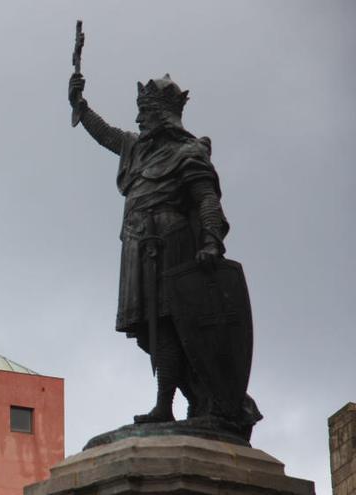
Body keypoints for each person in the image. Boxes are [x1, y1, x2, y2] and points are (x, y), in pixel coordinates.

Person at [68, 72, 259, 427]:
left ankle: (176, 404)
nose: (139, 119)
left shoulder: (188, 152)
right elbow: (106, 134)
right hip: (137, 248)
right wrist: (80, 105)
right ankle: (189, 400)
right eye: (139, 112)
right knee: (149, 332)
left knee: (173, 326)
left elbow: (206, 200)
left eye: (146, 112)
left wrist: (211, 241)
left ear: (164, 115)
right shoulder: (135, 148)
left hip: (172, 246)